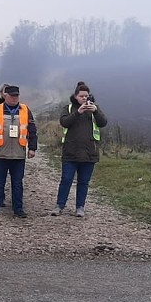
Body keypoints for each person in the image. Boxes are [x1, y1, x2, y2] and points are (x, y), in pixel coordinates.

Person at [51, 81, 108, 217]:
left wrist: (95, 111)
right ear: (75, 96)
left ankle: (80, 207)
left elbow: (103, 123)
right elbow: (64, 122)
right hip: (70, 153)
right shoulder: (69, 108)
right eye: (81, 96)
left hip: (89, 153)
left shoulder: (94, 108)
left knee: (83, 182)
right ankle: (59, 205)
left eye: (86, 96)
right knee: (66, 180)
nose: (84, 98)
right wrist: (78, 112)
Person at [0, 85, 37, 218]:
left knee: (17, 183)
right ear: (5, 96)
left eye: (16, 96)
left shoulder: (25, 110)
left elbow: (32, 130)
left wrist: (33, 148)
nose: (14, 98)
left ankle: (18, 208)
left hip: (19, 154)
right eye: (12, 96)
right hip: (0, 153)